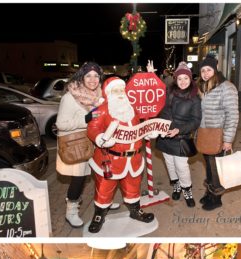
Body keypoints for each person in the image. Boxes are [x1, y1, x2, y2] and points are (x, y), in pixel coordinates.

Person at [86, 76, 154, 233]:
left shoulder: (133, 108)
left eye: (122, 90)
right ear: (108, 93)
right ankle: (99, 215)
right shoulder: (100, 110)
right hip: (110, 158)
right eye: (115, 90)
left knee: (133, 187)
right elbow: (92, 128)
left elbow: (140, 126)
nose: (120, 93)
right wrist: (99, 138)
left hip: (134, 158)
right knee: (104, 188)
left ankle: (135, 210)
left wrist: (147, 134)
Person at [56, 62, 118, 228]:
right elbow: (61, 124)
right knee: (79, 179)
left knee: (101, 173)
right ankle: (71, 211)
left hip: (96, 141)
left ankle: (105, 202)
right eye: (88, 75)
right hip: (78, 144)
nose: (92, 79)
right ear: (81, 77)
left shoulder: (100, 97)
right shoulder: (70, 97)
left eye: (96, 76)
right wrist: (85, 120)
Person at [156, 61, 202, 207]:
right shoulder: (168, 93)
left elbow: (196, 121)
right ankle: (176, 185)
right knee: (170, 164)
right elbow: (159, 107)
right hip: (165, 136)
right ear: (175, 79)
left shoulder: (194, 98)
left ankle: (187, 190)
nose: (182, 82)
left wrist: (179, 129)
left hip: (181, 138)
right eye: (180, 78)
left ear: (190, 79)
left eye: (186, 78)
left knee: (181, 166)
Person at [197, 54, 239, 211]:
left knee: (216, 168)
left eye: (208, 70)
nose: (206, 73)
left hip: (218, 135)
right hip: (205, 134)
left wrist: (228, 139)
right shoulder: (204, 88)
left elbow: (232, 115)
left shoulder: (226, 87)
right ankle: (209, 192)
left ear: (215, 70)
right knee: (208, 165)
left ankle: (216, 198)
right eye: (203, 70)